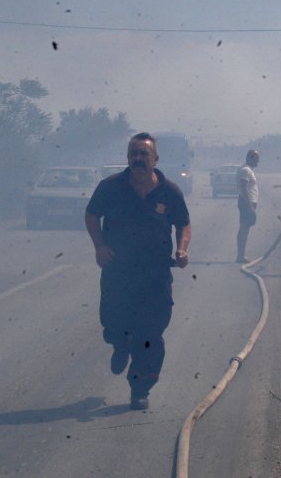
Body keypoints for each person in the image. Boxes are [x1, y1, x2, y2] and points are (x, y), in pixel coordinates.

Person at [85, 132, 191, 411]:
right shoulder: (110, 187)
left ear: (155, 159)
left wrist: (181, 249)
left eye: (144, 154)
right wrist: (99, 246)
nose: (138, 158)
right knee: (115, 322)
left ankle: (140, 389)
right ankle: (120, 345)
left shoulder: (169, 191)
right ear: (127, 157)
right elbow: (92, 215)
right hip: (118, 272)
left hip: (155, 275)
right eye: (134, 153)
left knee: (151, 333)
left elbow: (183, 223)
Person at [236, 149, 260, 264]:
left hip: (248, 202)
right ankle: (240, 256)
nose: (257, 163)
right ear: (250, 158)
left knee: (245, 229)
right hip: (246, 203)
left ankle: (241, 255)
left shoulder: (248, 170)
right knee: (244, 229)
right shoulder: (245, 170)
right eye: (256, 159)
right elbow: (244, 187)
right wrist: (250, 206)